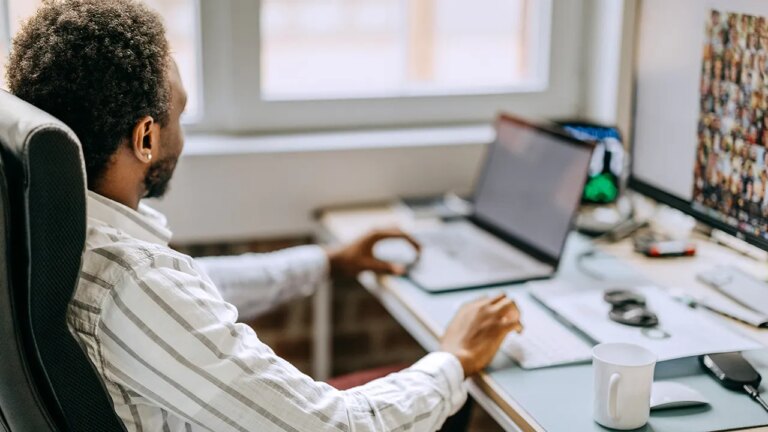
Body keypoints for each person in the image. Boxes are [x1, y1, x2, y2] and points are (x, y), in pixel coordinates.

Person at [6, 1, 523, 431]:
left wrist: (327, 262)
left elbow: (194, 289)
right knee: (447, 398)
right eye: (179, 114)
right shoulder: (130, 281)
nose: (182, 132)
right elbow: (335, 427)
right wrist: (454, 360)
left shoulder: (50, 238)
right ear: (145, 138)